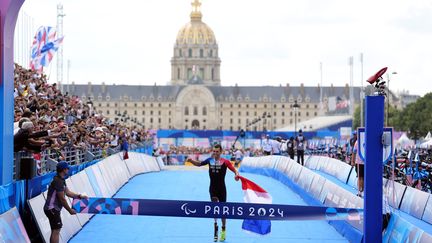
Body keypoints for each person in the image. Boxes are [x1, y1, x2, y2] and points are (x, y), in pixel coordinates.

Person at [187, 144, 240, 242]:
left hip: (222, 190)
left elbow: (234, 170)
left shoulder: (225, 162)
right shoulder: (209, 160)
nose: (215, 153)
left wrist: (236, 175)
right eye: (214, 151)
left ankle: (223, 230)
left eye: (217, 151)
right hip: (213, 189)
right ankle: (215, 231)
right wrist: (191, 161)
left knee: (223, 211)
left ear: (221, 152)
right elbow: (199, 164)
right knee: (215, 209)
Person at [44, 161, 88, 243]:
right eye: (67, 168)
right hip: (52, 208)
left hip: (53, 208)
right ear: (63, 170)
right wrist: (70, 210)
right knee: (56, 231)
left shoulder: (61, 179)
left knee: (55, 230)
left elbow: (68, 193)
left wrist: (79, 196)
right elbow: (62, 199)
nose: (68, 169)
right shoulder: (58, 181)